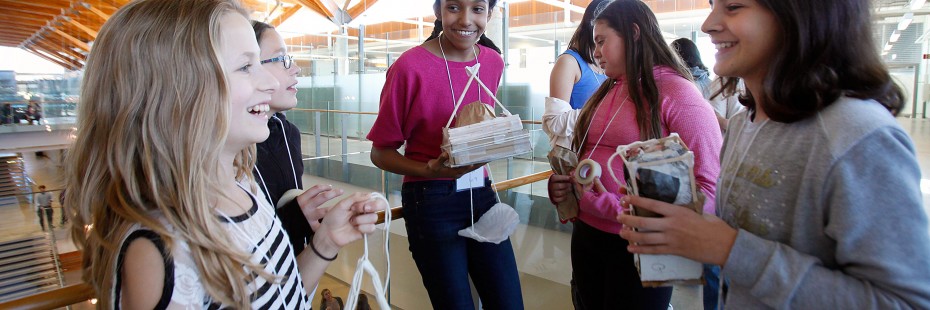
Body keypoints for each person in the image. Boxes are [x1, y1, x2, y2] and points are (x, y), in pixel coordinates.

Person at [64, 0, 385, 308]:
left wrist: (325, 242)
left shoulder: (242, 184)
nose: (268, 83)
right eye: (246, 66)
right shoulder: (159, 252)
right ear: (179, 92)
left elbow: (283, 299)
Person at [617, 0, 930, 308]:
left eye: (733, 7)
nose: (708, 24)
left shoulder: (859, 137)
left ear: (800, 15)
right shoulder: (744, 124)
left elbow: (902, 301)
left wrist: (729, 250)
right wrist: (684, 221)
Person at [546, 0, 722, 308]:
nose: (595, 51)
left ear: (634, 33)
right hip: (587, 234)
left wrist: (614, 207)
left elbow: (708, 189)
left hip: (640, 245)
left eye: (601, 41)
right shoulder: (607, 90)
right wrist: (565, 184)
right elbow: (585, 156)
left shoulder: (676, 93)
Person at [367, 0, 524, 308]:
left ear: (490, 14)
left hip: (481, 190)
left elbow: (479, 123)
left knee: (509, 302)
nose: (466, 19)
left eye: (478, 9)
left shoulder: (492, 62)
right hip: (431, 196)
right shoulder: (409, 68)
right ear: (437, 11)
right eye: (454, 6)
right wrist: (430, 170)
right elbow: (380, 152)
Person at [251, 20, 343, 254]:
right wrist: (295, 218)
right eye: (281, 59)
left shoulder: (287, 132)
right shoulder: (225, 148)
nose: (296, 68)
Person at [670, 36, 722, 310]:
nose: (709, 25)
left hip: (701, 167)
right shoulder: (709, 81)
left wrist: (733, 248)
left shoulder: (686, 87)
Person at [542, 0, 609, 150]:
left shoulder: (610, 65)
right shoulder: (569, 62)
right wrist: (602, 113)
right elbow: (554, 122)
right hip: (577, 154)